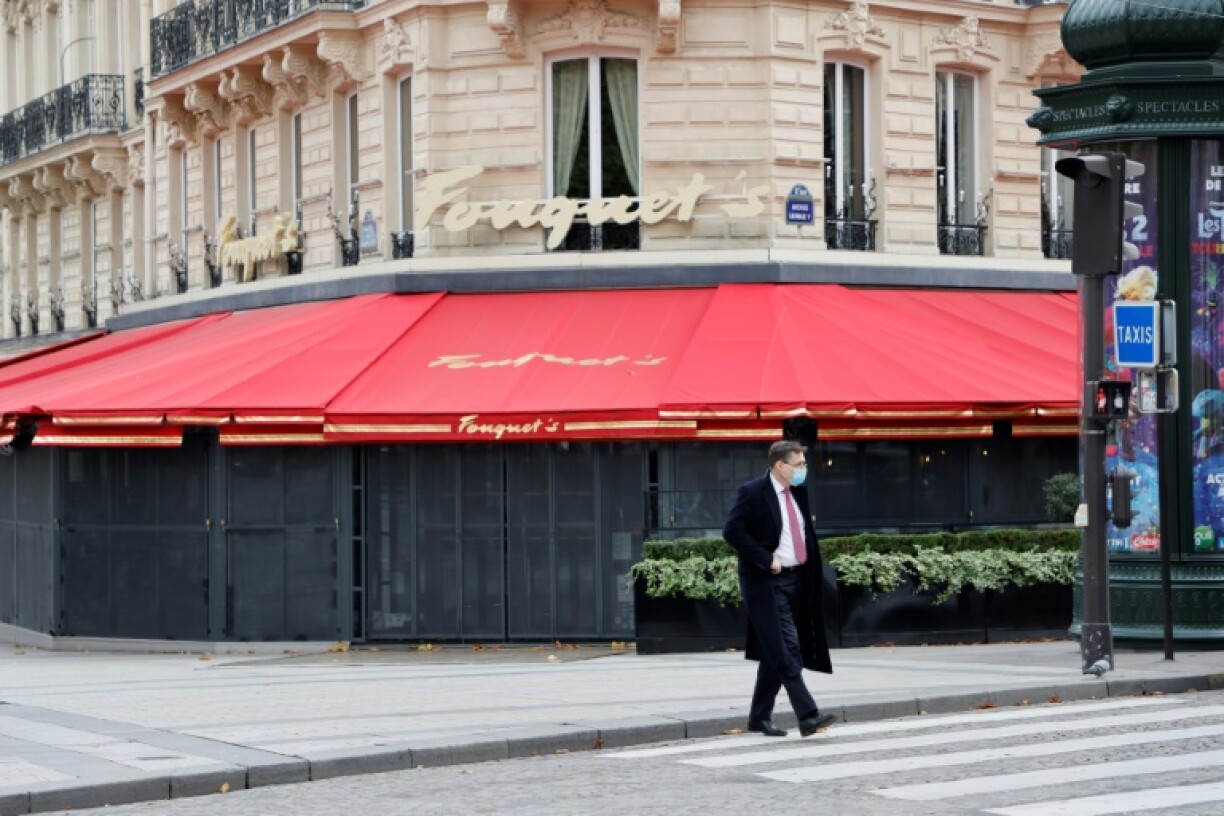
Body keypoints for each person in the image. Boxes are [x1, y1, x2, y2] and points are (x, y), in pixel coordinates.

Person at [722, 439, 834, 737]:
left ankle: (759, 717)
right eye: (799, 465)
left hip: (796, 580)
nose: (804, 469)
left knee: (774, 649)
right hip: (765, 582)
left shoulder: (798, 491)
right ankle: (808, 715)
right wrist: (764, 558)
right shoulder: (753, 492)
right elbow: (732, 531)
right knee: (787, 646)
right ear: (780, 465)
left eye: (804, 464)